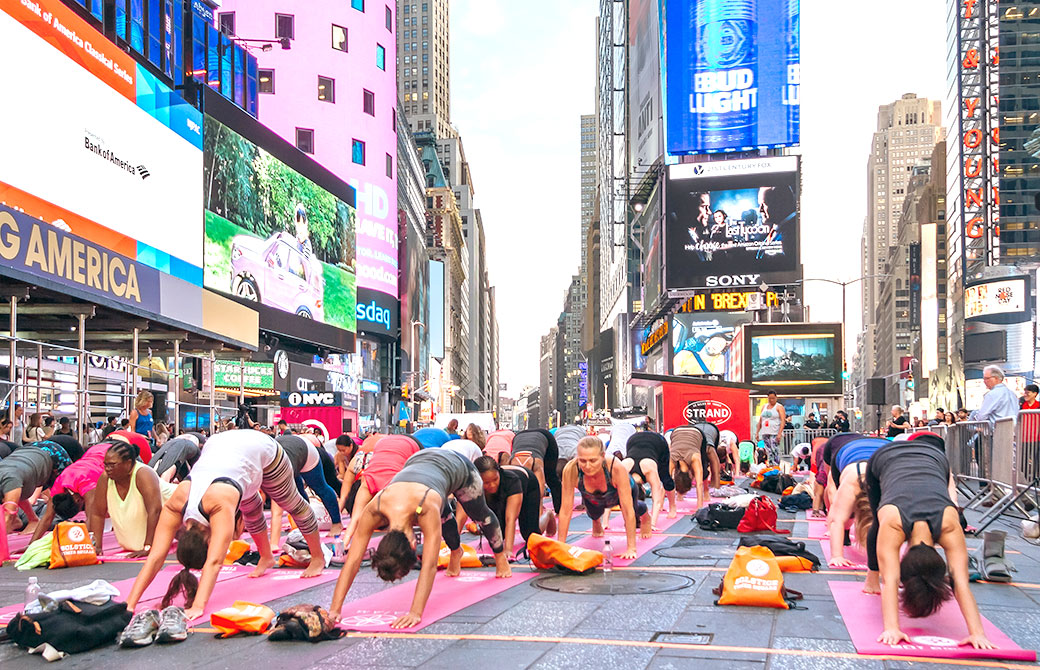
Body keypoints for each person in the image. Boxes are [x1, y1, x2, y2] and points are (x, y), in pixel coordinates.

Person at [123, 430, 325, 624]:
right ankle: (266, 557)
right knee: (250, 505)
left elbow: (215, 561)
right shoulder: (175, 504)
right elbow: (156, 556)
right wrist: (130, 604)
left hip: (262, 448)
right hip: (222, 447)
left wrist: (198, 605)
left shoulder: (218, 504)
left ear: (208, 541)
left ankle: (317, 558)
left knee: (292, 503)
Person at [328, 448, 511, 629]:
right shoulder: (373, 509)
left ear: (414, 544)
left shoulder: (426, 507)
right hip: (418, 464)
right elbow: (352, 561)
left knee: (479, 514)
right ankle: (456, 552)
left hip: (458, 466)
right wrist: (334, 609)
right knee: (443, 516)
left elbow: (429, 565)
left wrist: (415, 612)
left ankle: (500, 556)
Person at [859, 438, 994, 649]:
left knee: (883, 520)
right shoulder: (939, 523)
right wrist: (892, 627)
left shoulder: (949, 523)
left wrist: (978, 634)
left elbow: (894, 580)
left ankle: (871, 576)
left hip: (934, 458)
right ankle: (870, 576)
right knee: (879, 519)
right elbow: (892, 580)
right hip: (886, 458)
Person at [557, 436, 651, 559]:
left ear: (602, 456)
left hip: (620, 490)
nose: (588, 466)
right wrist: (560, 547)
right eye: (582, 461)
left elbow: (628, 511)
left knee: (634, 508)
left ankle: (645, 515)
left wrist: (631, 548)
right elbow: (565, 510)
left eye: (593, 460)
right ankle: (596, 521)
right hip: (592, 494)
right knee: (594, 512)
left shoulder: (616, 467)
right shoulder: (571, 470)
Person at [88, 440, 177, 557]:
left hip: (180, 507)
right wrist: (97, 546)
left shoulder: (143, 474)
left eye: (112, 465)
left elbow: (155, 511)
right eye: (106, 465)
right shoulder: (105, 478)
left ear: (128, 463)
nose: (108, 469)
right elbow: (97, 513)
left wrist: (148, 546)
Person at [341, 434, 420, 545]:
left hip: (409, 443)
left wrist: (344, 544)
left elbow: (354, 521)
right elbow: (355, 520)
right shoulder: (366, 484)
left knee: (404, 521)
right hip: (383, 443)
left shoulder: (393, 489)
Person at [822, 436, 889, 567]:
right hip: (850, 452)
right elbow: (836, 520)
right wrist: (837, 556)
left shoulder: (890, 482)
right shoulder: (852, 480)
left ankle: (864, 539)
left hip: (886, 450)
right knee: (842, 511)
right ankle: (846, 531)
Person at [28, 440, 113, 544]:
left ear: (78, 500)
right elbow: (46, 518)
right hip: (93, 454)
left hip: (112, 453)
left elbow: (92, 516)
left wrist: (91, 544)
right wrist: (31, 545)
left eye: (82, 504)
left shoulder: (87, 484)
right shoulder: (58, 487)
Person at [472, 456, 543, 557]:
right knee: (498, 535)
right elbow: (461, 516)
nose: (492, 485)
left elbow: (510, 519)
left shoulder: (512, 481)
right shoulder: (472, 485)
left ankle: (548, 516)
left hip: (528, 483)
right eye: (486, 483)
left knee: (530, 535)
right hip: (501, 492)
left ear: (499, 473)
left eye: (495, 479)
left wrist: (508, 550)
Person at [275, 434, 343, 537]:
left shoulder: (278, 466)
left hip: (307, 452)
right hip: (292, 454)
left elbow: (277, 511)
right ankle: (307, 524)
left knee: (321, 488)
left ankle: (337, 523)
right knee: (299, 492)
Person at [0, 440, 72, 534]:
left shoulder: (11, 480)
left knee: (65, 494)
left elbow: (8, 516)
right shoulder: (12, 482)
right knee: (15, 493)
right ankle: (32, 520)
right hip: (28, 452)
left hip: (53, 453)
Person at [622, 431, 677, 527]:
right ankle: (672, 508)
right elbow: (611, 494)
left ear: (643, 489)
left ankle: (673, 507)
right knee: (665, 479)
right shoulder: (623, 468)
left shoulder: (649, 469)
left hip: (657, 441)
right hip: (633, 439)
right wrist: (604, 523)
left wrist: (652, 524)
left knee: (665, 477)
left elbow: (657, 500)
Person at [509, 429, 562, 519]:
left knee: (551, 477)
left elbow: (539, 496)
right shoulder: (510, 466)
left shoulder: (536, 464)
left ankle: (559, 509)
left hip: (545, 436)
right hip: (519, 437)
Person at [668, 425, 720, 512]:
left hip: (694, 432)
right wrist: (699, 506)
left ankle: (705, 493)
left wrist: (699, 508)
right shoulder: (677, 458)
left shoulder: (689, 458)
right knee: (701, 469)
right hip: (677, 432)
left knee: (703, 466)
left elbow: (665, 482)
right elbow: (699, 484)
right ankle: (705, 493)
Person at [755, 391, 785, 464]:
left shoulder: (779, 407)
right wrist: (757, 432)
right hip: (765, 431)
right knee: (768, 451)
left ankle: (776, 466)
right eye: (770, 398)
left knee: (775, 450)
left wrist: (779, 433)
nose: (771, 400)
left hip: (775, 432)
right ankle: (771, 465)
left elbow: (783, 420)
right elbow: (760, 420)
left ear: (776, 398)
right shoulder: (764, 407)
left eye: (773, 398)